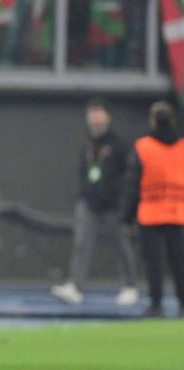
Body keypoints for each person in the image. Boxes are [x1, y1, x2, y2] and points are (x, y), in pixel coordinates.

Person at [51, 98, 138, 305]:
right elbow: (85, 172)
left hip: (113, 205)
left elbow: (127, 174)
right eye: (91, 113)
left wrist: (122, 201)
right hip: (89, 203)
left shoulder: (118, 144)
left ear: (108, 116)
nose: (95, 118)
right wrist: (83, 195)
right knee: (81, 244)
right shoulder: (88, 144)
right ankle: (75, 286)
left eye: (98, 113)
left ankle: (130, 286)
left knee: (121, 245)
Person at [121, 101, 184, 317]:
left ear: (153, 121)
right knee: (179, 263)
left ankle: (156, 303)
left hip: (150, 214)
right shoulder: (182, 146)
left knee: (153, 264)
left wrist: (126, 217)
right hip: (177, 213)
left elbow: (132, 184)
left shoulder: (143, 147)